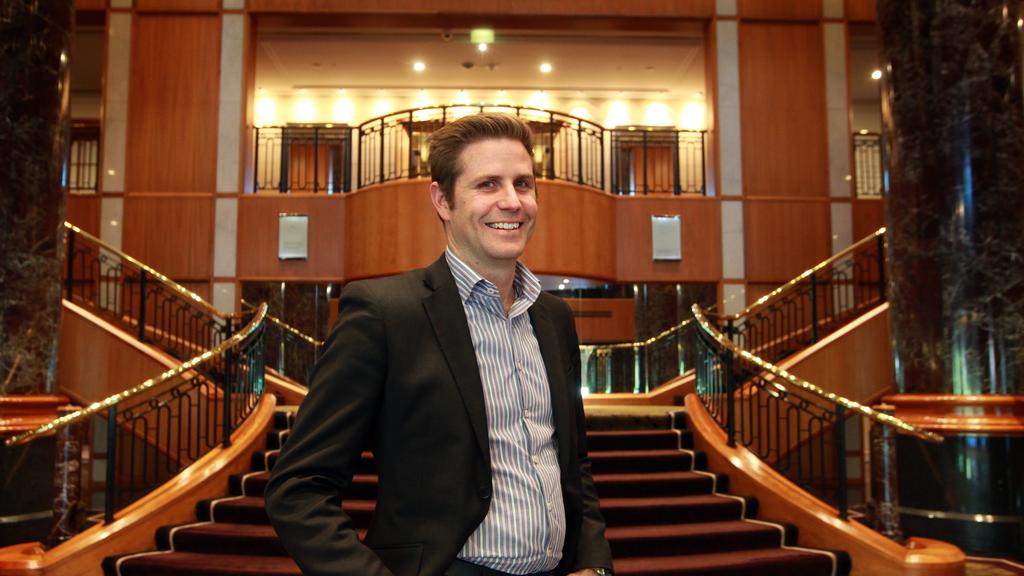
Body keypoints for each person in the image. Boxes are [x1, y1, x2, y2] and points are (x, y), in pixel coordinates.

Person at [265, 112, 613, 576]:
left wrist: (594, 564)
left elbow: (573, 464)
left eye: (523, 184)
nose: (512, 201)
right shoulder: (385, 313)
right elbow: (298, 487)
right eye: (488, 184)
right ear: (442, 200)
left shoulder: (553, 318)